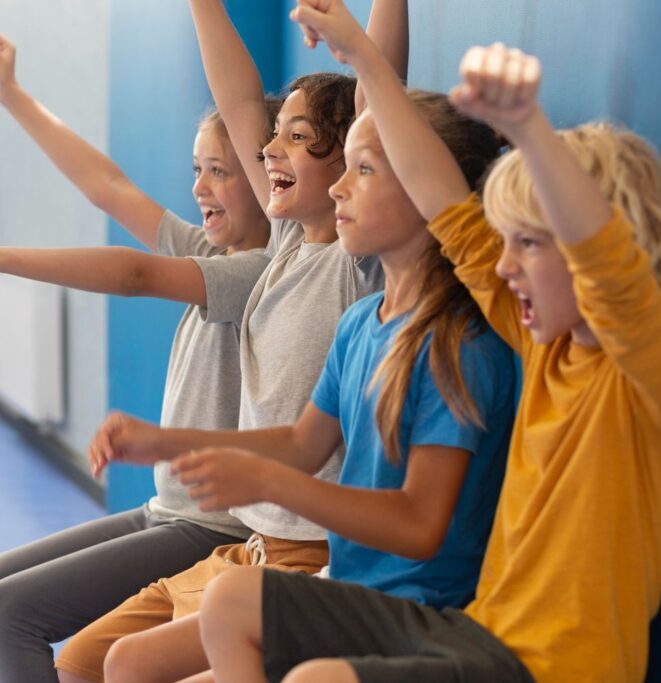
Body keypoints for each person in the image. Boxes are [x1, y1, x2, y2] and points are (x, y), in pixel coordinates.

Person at [193, 3, 661, 682]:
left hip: (554, 667)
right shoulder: (539, 344)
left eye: (528, 243)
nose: (503, 264)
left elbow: (605, 264)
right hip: (476, 631)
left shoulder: (660, 352)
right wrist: (364, 59)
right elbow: (445, 207)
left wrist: (527, 129)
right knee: (231, 602)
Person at [99, 86, 514, 683]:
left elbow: (421, 527)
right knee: (130, 663)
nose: (342, 185)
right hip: (349, 591)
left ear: (425, 191)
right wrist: (168, 443)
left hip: (418, 608)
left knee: (228, 605)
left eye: (362, 170)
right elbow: (302, 444)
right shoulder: (358, 325)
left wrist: (270, 483)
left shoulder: (458, 346)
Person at [50, 2, 405, 680]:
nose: (267, 150)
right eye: (272, 136)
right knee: (87, 662)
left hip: (308, 552)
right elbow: (238, 98)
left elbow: (379, 97)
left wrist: (365, 37)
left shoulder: (354, 262)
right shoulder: (287, 246)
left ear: (351, 162)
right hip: (252, 548)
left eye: (296, 138)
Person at [0, 30, 275, 683]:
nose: (201, 187)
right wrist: (11, 95)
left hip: (211, 525)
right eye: (196, 169)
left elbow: (136, 275)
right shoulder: (211, 252)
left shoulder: (259, 271)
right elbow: (106, 185)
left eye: (220, 171)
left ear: (264, 176)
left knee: (9, 611)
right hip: (166, 509)